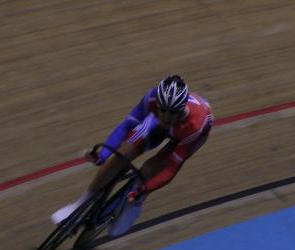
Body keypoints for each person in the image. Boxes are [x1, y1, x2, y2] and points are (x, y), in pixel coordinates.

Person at [51, 74, 214, 236]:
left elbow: (171, 169)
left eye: (173, 112)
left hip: (186, 135)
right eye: (162, 109)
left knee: (149, 171)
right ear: (158, 102)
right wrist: (104, 155)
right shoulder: (152, 98)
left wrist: (143, 190)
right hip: (160, 126)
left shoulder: (195, 125)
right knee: (122, 154)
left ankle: (135, 202)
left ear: (182, 108)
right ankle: (80, 203)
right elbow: (127, 125)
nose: (166, 116)